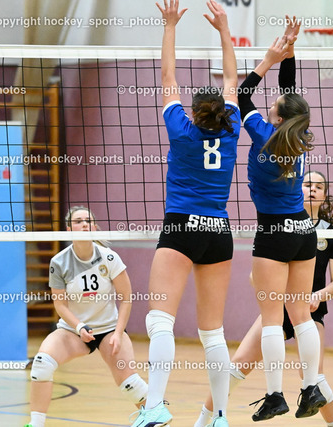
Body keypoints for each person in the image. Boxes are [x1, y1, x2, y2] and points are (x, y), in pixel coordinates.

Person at [130, 1, 239, 426]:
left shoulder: (180, 128)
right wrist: (225, 29)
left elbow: (167, 76)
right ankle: (221, 416)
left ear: (194, 114)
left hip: (181, 227)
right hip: (219, 231)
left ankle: (155, 405)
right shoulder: (231, 127)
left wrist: (170, 25)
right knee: (212, 331)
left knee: (159, 319)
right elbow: (231, 79)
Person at [195, 170, 333, 427]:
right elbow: (256, 277)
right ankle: (204, 421)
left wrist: (317, 296)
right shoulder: (278, 225)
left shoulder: (329, 233)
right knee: (237, 366)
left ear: (324, 197)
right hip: (278, 309)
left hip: (309, 312)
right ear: (297, 187)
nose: (311, 189)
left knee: (314, 378)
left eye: (318, 187)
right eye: (307, 183)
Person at [238, 16, 327, 421]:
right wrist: (291, 52)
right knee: (301, 315)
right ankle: (311, 388)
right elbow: (290, 97)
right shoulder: (301, 136)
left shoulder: (264, 134)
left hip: (273, 233)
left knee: (273, 320)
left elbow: (242, 95)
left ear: (274, 116)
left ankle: (275, 395)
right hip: (302, 233)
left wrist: (269, 59)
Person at [26, 206, 147, 427]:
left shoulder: (109, 258)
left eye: (88, 221)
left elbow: (127, 299)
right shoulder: (59, 262)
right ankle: (36, 424)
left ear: (94, 226)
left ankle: (155, 415)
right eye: (79, 221)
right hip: (73, 331)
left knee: (130, 384)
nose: (84, 224)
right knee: (42, 364)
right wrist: (79, 326)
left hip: (109, 329)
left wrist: (118, 334)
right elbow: (60, 305)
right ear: (68, 228)